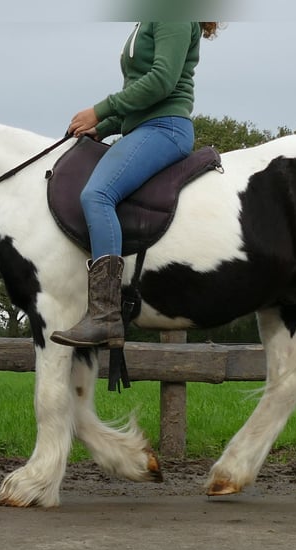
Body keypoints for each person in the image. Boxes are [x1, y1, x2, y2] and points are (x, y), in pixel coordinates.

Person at [50, 22, 219, 349]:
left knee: (98, 195)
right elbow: (142, 90)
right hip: (143, 127)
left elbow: (161, 81)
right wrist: (105, 126)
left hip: (164, 128)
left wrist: (100, 111)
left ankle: (105, 317)